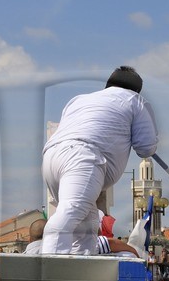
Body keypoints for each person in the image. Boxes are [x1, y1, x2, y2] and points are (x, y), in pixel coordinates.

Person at [40, 66, 158, 255]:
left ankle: (81, 271)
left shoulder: (78, 100)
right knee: (71, 213)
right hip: (83, 157)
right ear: (136, 90)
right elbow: (146, 148)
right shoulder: (135, 100)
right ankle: (50, 272)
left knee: (87, 226)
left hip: (52, 157)